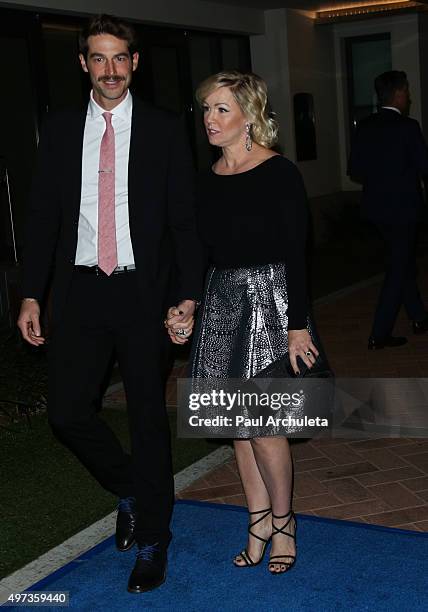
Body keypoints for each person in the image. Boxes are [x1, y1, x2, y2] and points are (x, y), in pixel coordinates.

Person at [17, 14, 202, 594]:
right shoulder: (62, 126)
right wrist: (30, 291)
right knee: (67, 414)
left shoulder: (165, 129)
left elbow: (185, 222)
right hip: (78, 290)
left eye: (120, 57)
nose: (111, 70)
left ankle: (153, 539)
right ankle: (132, 488)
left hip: (142, 292)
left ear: (135, 63)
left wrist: (188, 295)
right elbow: (43, 217)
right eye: (99, 58)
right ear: (83, 65)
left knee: (148, 416)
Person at [166, 71, 318, 574]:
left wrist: (298, 325)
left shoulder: (279, 173)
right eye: (206, 108)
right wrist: (187, 303)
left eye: (222, 109)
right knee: (236, 422)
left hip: (269, 304)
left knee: (265, 426)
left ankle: (284, 521)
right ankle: (256, 520)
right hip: (222, 303)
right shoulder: (205, 178)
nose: (210, 119)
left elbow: (297, 253)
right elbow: (196, 252)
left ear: (249, 116)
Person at [348, 70, 428, 349]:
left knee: (402, 262)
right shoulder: (409, 127)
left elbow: (354, 170)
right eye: (406, 90)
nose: (409, 96)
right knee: (398, 267)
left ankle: (418, 317)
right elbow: (424, 168)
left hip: (376, 210)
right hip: (404, 210)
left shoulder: (364, 126)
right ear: (398, 93)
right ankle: (379, 334)